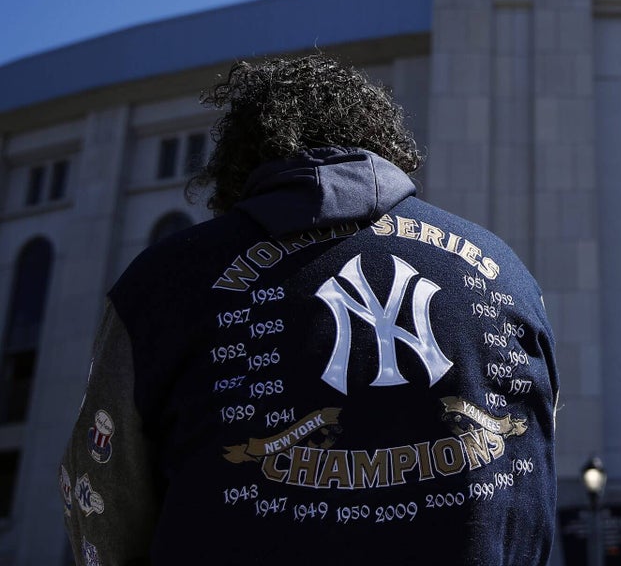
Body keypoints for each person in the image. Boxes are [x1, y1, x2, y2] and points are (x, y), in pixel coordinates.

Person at [60, 55, 558, 566]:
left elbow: (102, 497)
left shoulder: (162, 282)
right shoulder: (504, 271)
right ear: (387, 141)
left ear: (235, 166)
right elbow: (534, 479)